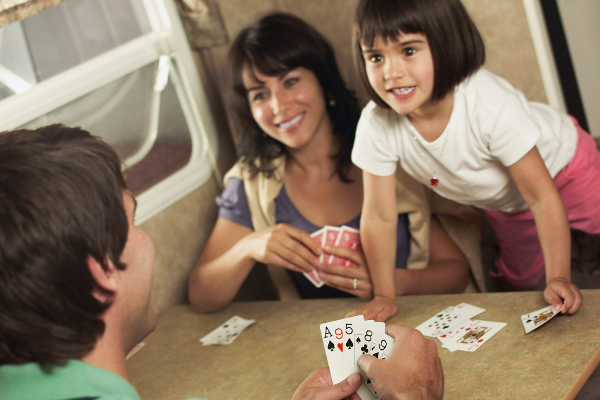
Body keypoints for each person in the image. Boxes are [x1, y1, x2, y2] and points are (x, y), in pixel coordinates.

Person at [0, 124, 444, 400]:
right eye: (134, 224)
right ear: (101, 273)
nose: (148, 242)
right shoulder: (250, 184)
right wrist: (415, 395)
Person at [188, 12, 471, 314]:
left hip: (411, 325)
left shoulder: (385, 155)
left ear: (323, 81)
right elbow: (202, 296)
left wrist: (391, 284)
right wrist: (249, 247)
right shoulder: (251, 183)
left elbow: (456, 272)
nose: (278, 106)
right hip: (321, 347)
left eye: (291, 81)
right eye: (260, 95)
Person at [348, 0, 590, 322]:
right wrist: (384, 294)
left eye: (408, 51)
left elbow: (542, 196)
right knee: (521, 285)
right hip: (507, 204)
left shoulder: (487, 103)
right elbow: (378, 216)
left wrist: (558, 275)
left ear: (447, 43)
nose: (391, 72)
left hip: (568, 167)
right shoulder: (376, 124)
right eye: (376, 57)